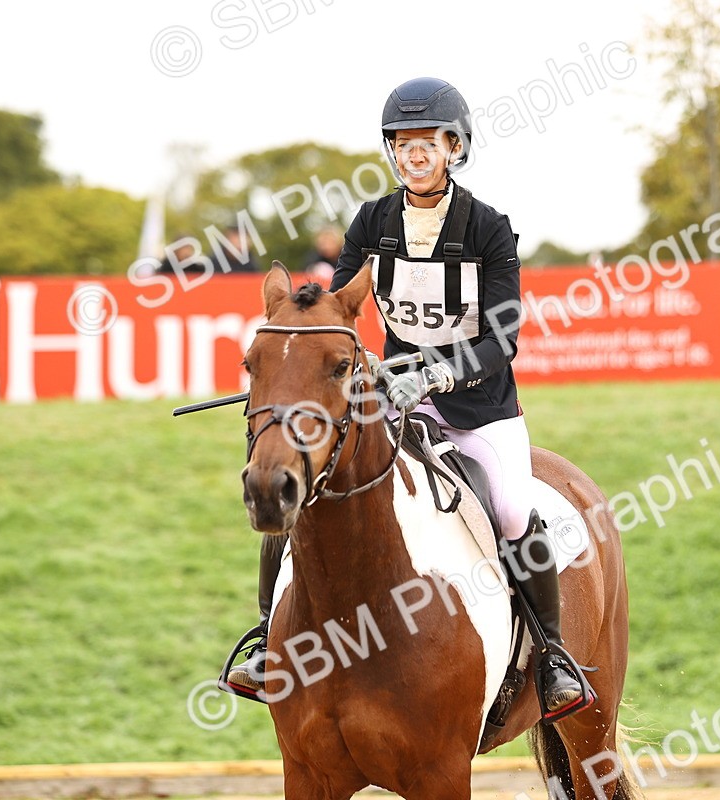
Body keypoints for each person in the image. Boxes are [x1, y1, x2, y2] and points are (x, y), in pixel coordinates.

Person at [224, 77, 594, 722]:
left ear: (455, 148)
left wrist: (433, 376)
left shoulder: (488, 228)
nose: (414, 155)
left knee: (509, 509)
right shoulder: (373, 222)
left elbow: (501, 338)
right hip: (390, 401)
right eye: (402, 144)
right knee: (304, 481)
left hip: (480, 407)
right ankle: (265, 638)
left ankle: (554, 655)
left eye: (428, 144)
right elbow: (337, 313)